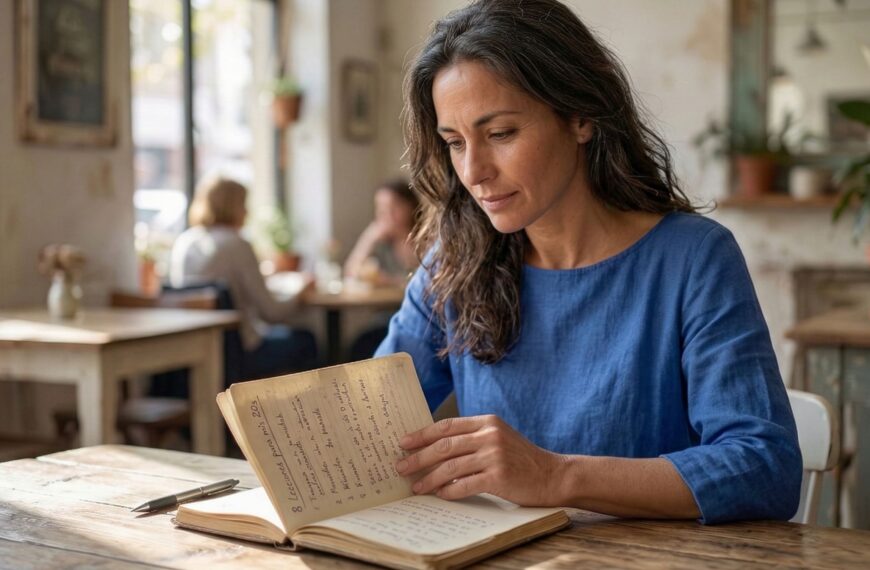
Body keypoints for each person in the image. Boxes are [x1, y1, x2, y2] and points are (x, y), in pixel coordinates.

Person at [376, 0, 801, 524]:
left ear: (581, 117)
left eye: (501, 134)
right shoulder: (454, 264)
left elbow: (765, 466)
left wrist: (554, 476)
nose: (474, 171)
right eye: (454, 143)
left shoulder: (694, 259)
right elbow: (371, 423)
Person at [169, 176, 318, 381]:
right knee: (306, 340)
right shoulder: (237, 244)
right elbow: (271, 313)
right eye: (244, 205)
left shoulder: (184, 242)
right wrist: (300, 292)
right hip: (240, 353)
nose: (247, 212)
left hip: (198, 354)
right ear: (234, 207)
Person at [344, 178, 419, 287]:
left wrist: (390, 281)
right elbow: (350, 273)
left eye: (394, 207)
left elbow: (427, 281)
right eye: (381, 208)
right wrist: (368, 238)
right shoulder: (381, 242)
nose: (388, 214)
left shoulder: (425, 238)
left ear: (410, 206)